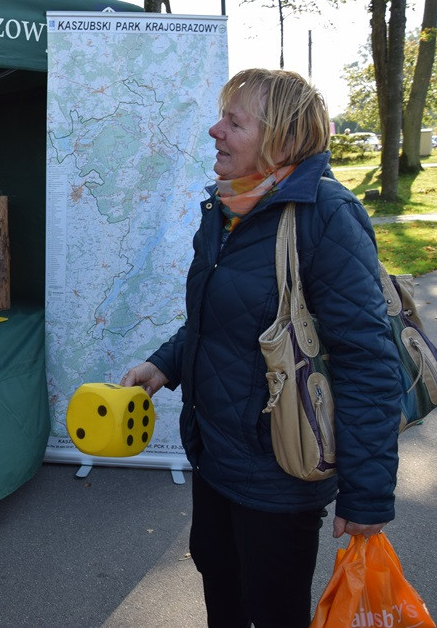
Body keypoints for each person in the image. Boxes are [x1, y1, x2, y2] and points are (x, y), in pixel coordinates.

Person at [121, 69, 402, 628]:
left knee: (272, 608)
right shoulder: (227, 208)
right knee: (220, 583)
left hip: (280, 471)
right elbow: (219, 321)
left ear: (283, 139)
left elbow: (368, 360)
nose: (215, 131)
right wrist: (164, 364)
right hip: (216, 453)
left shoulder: (326, 215)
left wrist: (368, 493)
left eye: (234, 121)